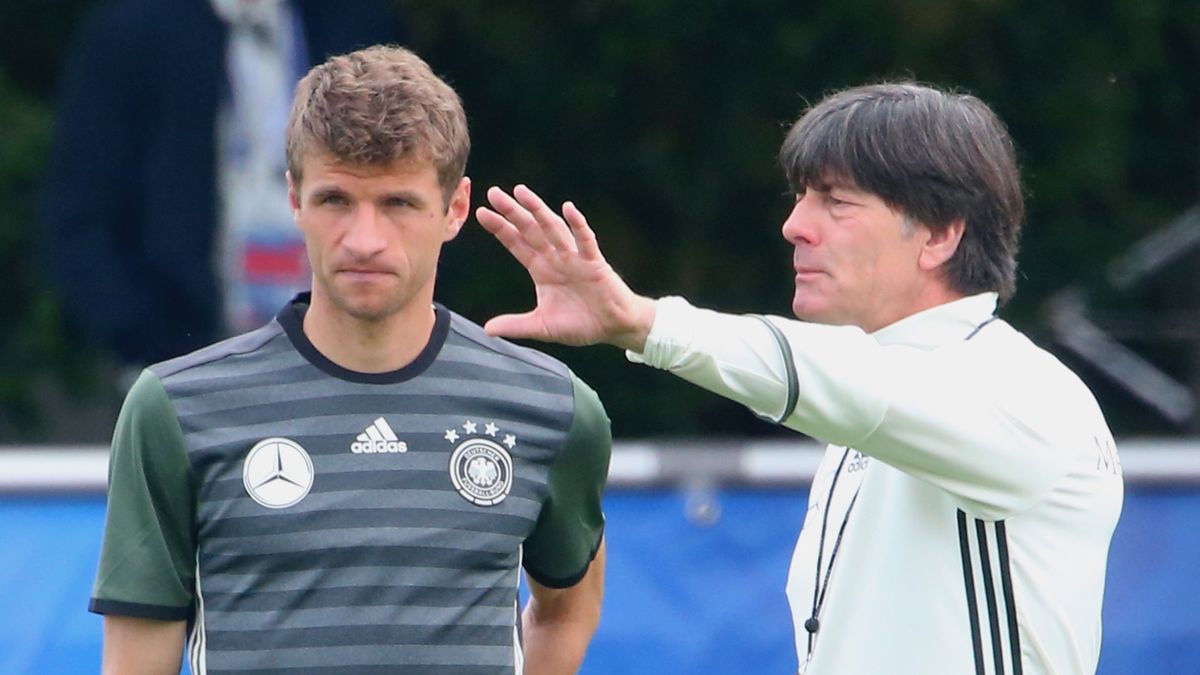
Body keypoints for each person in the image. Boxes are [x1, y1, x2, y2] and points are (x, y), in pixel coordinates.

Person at [475, 82, 1123, 675]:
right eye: (801, 197)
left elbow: (856, 386)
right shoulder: (878, 396)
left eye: (836, 202)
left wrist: (645, 322)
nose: (794, 225)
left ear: (940, 235)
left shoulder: (1026, 392)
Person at [89, 45, 611, 675]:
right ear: (294, 198)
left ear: (453, 207)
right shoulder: (174, 409)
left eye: (397, 203)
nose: (364, 240)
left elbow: (566, 609)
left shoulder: (552, 409)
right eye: (336, 199)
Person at [41, 0, 404, 369]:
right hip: (190, 346)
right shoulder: (137, 31)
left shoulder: (352, 24)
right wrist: (153, 340)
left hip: (345, 346)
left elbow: (409, 179)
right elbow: (81, 214)